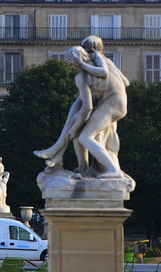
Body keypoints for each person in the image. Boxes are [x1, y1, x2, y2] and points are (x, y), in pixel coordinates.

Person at [34, 38, 129, 178]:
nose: (72, 69)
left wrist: (74, 128)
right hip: (114, 101)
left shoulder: (83, 75)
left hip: (112, 103)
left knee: (85, 136)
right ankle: (80, 166)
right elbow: (126, 82)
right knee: (77, 122)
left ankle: (113, 170)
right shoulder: (107, 62)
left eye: (71, 65)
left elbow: (87, 108)